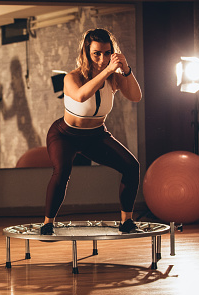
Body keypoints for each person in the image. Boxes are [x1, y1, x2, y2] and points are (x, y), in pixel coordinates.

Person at [41, 28, 142, 235]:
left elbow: (135, 97)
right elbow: (80, 96)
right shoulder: (72, 77)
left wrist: (126, 69)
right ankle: (47, 223)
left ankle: (127, 221)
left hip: (95, 136)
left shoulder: (114, 77)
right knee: (62, 173)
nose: (102, 58)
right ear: (86, 53)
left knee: (132, 167)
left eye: (107, 53)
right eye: (97, 53)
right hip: (65, 135)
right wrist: (107, 71)